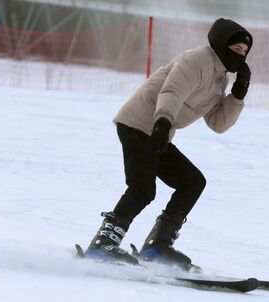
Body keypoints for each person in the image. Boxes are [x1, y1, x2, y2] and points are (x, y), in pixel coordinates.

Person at [84, 18, 253, 271]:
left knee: (192, 181)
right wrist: (163, 122)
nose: (239, 55)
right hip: (140, 123)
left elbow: (218, 124)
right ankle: (103, 243)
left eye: (244, 52)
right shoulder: (197, 60)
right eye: (235, 48)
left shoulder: (220, 80)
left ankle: (157, 245)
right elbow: (171, 91)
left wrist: (238, 93)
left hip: (157, 130)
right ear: (220, 43)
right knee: (142, 188)